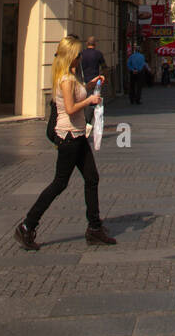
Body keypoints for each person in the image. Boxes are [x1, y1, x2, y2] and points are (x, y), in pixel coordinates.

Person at [14, 35, 115, 249]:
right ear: (71, 56)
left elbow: (77, 96)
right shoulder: (66, 80)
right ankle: (27, 225)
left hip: (77, 135)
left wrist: (91, 83)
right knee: (59, 183)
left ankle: (94, 228)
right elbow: (70, 108)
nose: (80, 58)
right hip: (68, 137)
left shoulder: (71, 76)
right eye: (78, 55)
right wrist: (90, 100)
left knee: (92, 177)